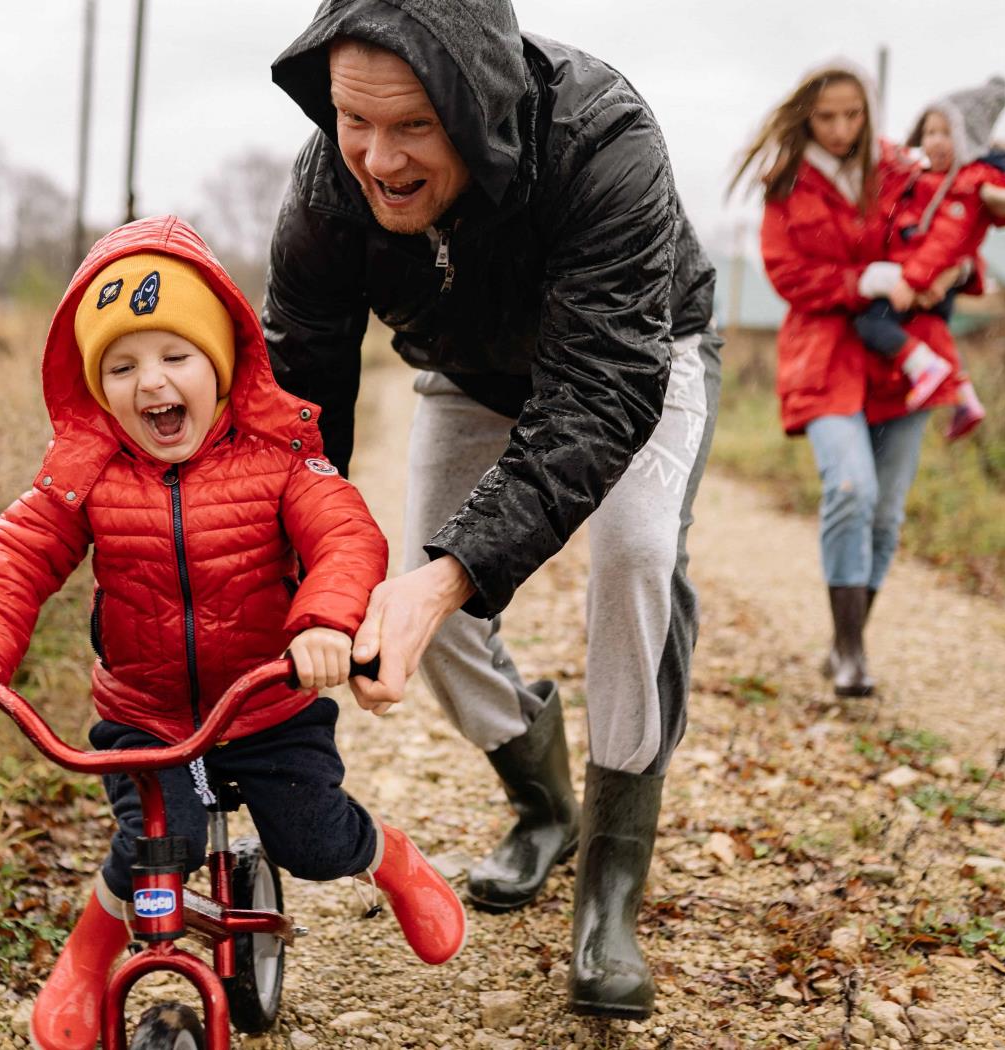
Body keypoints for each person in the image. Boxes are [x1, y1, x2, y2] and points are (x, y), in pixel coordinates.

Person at [264, 0, 721, 1019]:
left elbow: (601, 393)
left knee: (636, 554)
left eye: (414, 125)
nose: (378, 160)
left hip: (638, 358)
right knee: (420, 586)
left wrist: (452, 574)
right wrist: (292, 567)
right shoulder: (323, 191)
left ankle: (611, 886)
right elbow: (298, 401)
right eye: (353, 120)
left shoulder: (604, 139)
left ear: (478, 106)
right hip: (466, 374)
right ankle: (542, 803)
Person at [0, 216, 466, 1050]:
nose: (152, 384)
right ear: (98, 387)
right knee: (151, 850)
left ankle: (389, 859)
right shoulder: (87, 473)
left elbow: (346, 537)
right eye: (122, 365)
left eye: (176, 356)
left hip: (266, 705)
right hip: (147, 716)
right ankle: (85, 960)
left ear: (220, 361)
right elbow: (16, 556)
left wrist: (321, 623)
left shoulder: (280, 456)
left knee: (313, 841)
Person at [734, 63, 968, 698]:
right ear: (806, 116)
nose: (840, 129)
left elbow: (953, 219)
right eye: (826, 117)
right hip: (825, 355)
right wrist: (860, 281)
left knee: (887, 514)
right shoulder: (786, 183)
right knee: (850, 488)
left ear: (868, 112)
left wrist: (957, 261)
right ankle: (849, 650)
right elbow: (785, 274)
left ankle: (849, 639)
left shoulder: (901, 168)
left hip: (903, 356)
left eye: (852, 114)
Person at [853, 75, 1005, 440]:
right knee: (930, 332)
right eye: (931, 131)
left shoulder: (961, 188)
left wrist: (912, 280)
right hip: (923, 275)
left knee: (871, 324)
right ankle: (964, 396)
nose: (935, 141)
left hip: (924, 279)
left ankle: (924, 370)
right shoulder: (924, 179)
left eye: (946, 133)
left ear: (966, 140)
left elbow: (944, 243)